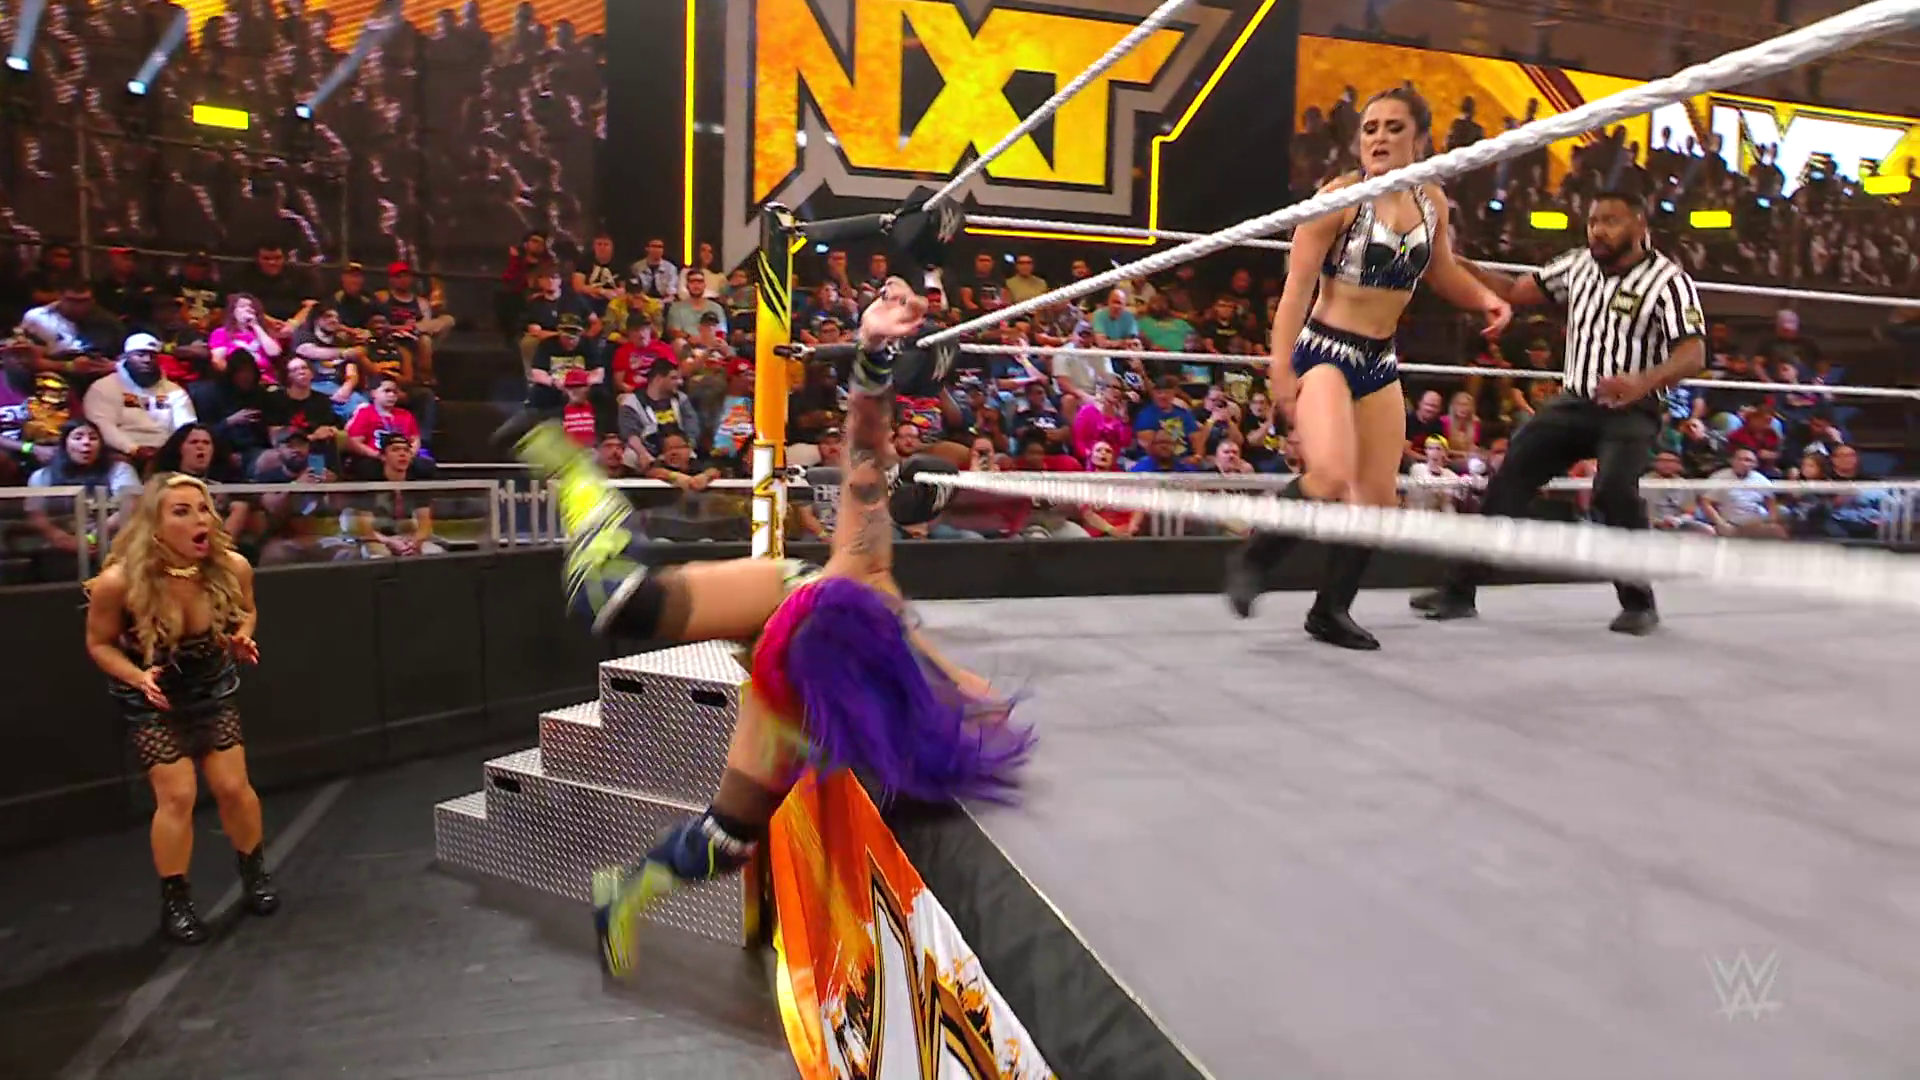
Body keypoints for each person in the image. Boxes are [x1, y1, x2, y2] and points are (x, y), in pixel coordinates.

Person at [515, 278, 1031, 979]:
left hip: (792, 679)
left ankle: (624, 890)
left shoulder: (879, 604)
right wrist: (873, 352)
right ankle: (586, 493)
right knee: (612, 602)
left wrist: (874, 357)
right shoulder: (864, 562)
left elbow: (976, 703)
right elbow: (865, 440)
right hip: (788, 606)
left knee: (729, 836)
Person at [1224, 87, 1511, 650]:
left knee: (1377, 500)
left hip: (1379, 360)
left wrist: (1485, 299)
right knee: (1330, 474)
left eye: (1393, 128)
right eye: (1370, 128)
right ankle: (1254, 560)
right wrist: (1280, 365)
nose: (1378, 138)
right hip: (1325, 351)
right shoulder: (1339, 200)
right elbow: (1295, 290)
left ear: (1419, 139)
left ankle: (1330, 610)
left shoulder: (1432, 201)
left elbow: (1442, 270)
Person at [1410, 190, 1707, 633]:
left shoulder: (1668, 281)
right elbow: (1514, 289)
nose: (1598, 231)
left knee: (1614, 492)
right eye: (1593, 221)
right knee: (1509, 475)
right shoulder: (1578, 264)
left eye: (1611, 221)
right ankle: (1458, 591)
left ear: (1640, 225)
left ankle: (1638, 602)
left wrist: (1641, 382)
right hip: (1574, 402)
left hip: (1632, 409)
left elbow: (1694, 353)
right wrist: (1453, 261)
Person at [83, 474, 279, 944]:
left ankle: (255, 874)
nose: (199, 520)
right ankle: (177, 902)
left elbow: (247, 610)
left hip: (211, 687)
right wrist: (137, 677)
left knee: (234, 787)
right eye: (182, 511)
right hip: (155, 697)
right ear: (154, 523)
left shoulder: (231, 567)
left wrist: (240, 637)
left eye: (203, 508)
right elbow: (99, 644)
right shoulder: (119, 582)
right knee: (177, 796)